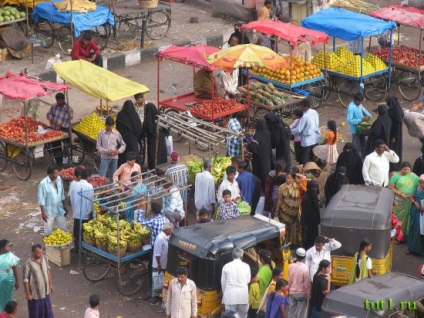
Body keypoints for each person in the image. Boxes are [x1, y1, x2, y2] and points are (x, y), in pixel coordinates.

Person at [388, 162, 419, 237]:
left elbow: (420, 183)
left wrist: (414, 194)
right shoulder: (396, 176)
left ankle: (406, 235)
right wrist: (400, 194)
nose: (406, 171)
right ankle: (397, 237)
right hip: (399, 201)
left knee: (408, 219)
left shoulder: (413, 176)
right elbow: (390, 187)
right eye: (404, 169)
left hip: (409, 201)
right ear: (400, 169)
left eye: (408, 169)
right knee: (397, 218)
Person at [23, 244, 54, 318]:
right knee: (36, 315)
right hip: (35, 295)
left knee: (47, 314)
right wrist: (28, 294)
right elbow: (25, 280)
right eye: (38, 253)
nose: (40, 254)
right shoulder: (28, 264)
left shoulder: (45, 259)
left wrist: (51, 284)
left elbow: (48, 271)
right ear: (33, 252)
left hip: (45, 292)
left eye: (41, 252)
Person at [38, 165, 68, 236]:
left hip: (59, 209)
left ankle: (66, 246)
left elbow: (62, 193)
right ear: (50, 174)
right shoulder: (43, 184)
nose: (57, 175)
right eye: (55, 173)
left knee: (64, 229)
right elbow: (41, 199)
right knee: (48, 232)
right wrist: (43, 213)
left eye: (58, 173)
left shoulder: (59, 179)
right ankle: (48, 247)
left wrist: (64, 206)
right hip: (49, 212)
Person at [274, 172, 302, 247]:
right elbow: (280, 199)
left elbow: (299, 198)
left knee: (294, 228)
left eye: (290, 178)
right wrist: (276, 210)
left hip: (294, 211)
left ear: (293, 179)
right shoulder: (282, 187)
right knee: (284, 227)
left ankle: (294, 243)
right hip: (284, 211)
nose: (288, 180)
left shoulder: (296, 186)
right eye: (287, 178)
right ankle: (284, 243)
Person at [221, 248, 251, 318]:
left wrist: (225, 295)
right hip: (243, 297)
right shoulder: (246, 266)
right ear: (241, 256)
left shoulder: (226, 266)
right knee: (243, 316)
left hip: (230, 297)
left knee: (230, 316)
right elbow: (248, 281)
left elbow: (223, 283)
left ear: (232, 256)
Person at [69, 168, 94, 253]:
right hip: (85, 213)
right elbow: (90, 201)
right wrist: (90, 213)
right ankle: (84, 249)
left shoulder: (74, 184)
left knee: (76, 230)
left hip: (76, 211)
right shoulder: (89, 186)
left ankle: (77, 248)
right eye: (91, 176)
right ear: (88, 176)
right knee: (84, 232)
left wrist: (74, 208)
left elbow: (71, 198)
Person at [290, 98, 321, 165]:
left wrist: (289, 130)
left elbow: (299, 129)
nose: (301, 108)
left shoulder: (305, 116)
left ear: (304, 106)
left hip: (307, 140)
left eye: (301, 106)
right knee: (314, 156)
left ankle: (306, 170)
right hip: (315, 138)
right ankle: (314, 168)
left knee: (305, 158)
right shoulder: (314, 112)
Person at [46, 93, 74, 165]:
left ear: (63, 100)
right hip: (54, 129)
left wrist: (62, 125)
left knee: (66, 144)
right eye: (57, 100)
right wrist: (50, 118)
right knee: (55, 146)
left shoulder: (68, 109)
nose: (58, 102)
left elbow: (69, 122)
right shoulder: (54, 106)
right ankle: (58, 161)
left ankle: (65, 157)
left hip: (64, 130)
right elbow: (48, 114)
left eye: (60, 100)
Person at [96, 116, 126, 181]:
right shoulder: (101, 133)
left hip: (114, 157)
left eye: (111, 126)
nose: (110, 128)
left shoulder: (116, 133)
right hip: (105, 157)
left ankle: (112, 189)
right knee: (102, 175)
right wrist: (107, 151)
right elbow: (98, 147)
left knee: (113, 175)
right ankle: (101, 189)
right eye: (108, 126)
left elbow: (123, 144)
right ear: (105, 125)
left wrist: (118, 151)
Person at [151, 223, 174, 305]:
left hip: (163, 263)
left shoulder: (166, 237)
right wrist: (159, 265)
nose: (172, 230)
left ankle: (160, 296)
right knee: (157, 281)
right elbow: (157, 253)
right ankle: (155, 299)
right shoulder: (160, 238)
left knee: (161, 281)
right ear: (167, 230)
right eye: (171, 229)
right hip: (159, 264)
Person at [116, 100, 143, 166]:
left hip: (122, 138)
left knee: (122, 155)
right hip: (132, 139)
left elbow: (117, 126)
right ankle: (136, 171)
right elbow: (138, 127)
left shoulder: (120, 114)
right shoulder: (134, 114)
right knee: (134, 154)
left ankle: (122, 170)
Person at [248, 119, 272, 190]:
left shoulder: (257, 135)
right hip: (267, 157)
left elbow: (254, 149)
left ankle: (259, 189)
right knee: (265, 172)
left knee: (258, 173)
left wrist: (250, 143)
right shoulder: (268, 133)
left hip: (258, 159)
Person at [142, 103, 167, 170]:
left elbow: (146, 129)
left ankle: (153, 168)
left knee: (152, 154)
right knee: (160, 153)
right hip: (161, 139)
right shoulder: (160, 116)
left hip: (152, 140)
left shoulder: (148, 119)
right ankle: (162, 167)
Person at [346, 93, 371, 158]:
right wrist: (360, 120)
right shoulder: (351, 108)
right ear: (355, 100)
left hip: (362, 128)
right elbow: (349, 120)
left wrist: (368, 115)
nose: (360, 103)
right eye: (359, 101)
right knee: (355, 146)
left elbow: (364, 110)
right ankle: (354, 159)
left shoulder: (359, 104)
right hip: (355, 130)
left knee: (364, 144)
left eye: (360, 102)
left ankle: (364, 157)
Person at [288, 248, 311, 318]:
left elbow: (290, 280)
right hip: (301, 293)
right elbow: (306, 284)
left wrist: (289, 289)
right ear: (304, 257)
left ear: (296, 256)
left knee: (291, 312)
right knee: (301, 314)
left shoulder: (291, 266)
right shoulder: (305, 268)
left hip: (292, 292)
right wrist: (309, 294)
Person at [301, 180, 320, 250]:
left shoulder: (313, 197)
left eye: (315, 188)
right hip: (307, 221)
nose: (314, 190)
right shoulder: (306, 198)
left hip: (313, 221)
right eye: (312, 188)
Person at [0, 240, 19, 312]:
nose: (9, 248)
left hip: (8, 280)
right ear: (2, 248)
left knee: (7, 296)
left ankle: (7, 311)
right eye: (7, 246)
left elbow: (15, 269)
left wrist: (17, 281)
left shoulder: (11, 256)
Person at [408, 175, 424, 255]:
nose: (422, 185)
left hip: (421, 215)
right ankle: (411, 248)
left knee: (420, 231)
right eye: (420, 182)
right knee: (412, 228)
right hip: (415, 211)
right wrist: (415, 202)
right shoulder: (417, 188)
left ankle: (419, 250)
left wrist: (422, 208)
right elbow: (411, 197)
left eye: (423, 183)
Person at [387, 96, 404, 171]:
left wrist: (393, 136)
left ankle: (394, 166)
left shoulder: (395, 112)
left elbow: (395, 126)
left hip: (395, 134)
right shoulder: (397, 108)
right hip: (398, 133)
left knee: (394, 148)